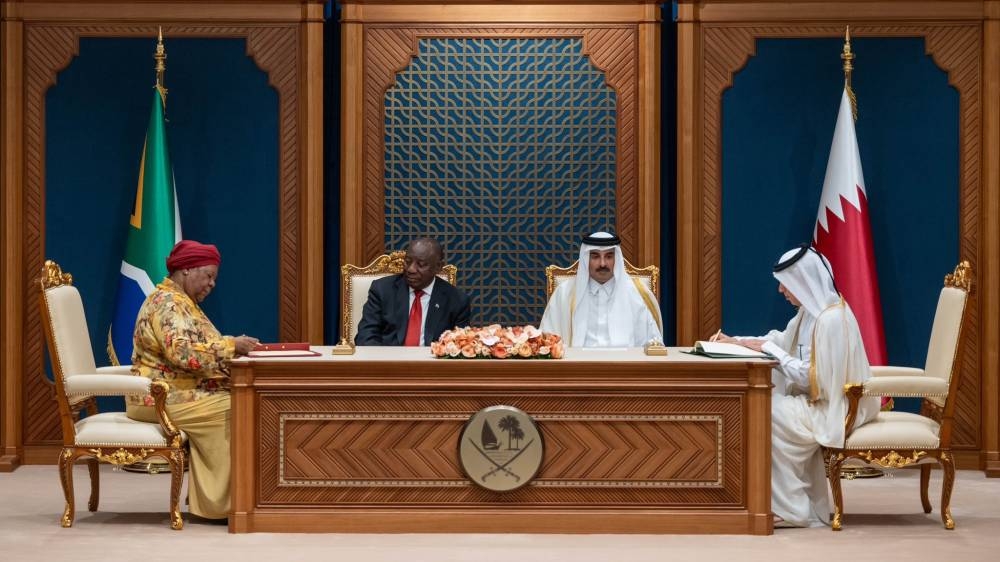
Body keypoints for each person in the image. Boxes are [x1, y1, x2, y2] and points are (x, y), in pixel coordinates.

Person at [715, 244, 879, 527]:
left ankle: (793, 510)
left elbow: (813, 378)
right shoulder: (811, 311)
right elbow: (781, 341)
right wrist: (737, 342)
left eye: (785, 284)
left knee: (765, 411)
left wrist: (770, 350)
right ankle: (774, 500)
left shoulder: (831, 320)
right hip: (817, 401)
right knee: (764, 405)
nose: (781, 291)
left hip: (834, 408)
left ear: (803, 281)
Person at [125, 240, 258, 521]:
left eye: (214, 279)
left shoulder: (185, 303)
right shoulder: (168, 304)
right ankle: (221, 506)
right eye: (208, 276)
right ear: (185, 270)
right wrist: (232, 346)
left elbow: (201, 348)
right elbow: (184, 354)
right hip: (158, 398)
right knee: (237, 408)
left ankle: (224, 500)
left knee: (246, 400)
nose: (211, 284)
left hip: (180, 393)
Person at [539, 231, 662, 347]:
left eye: (609, 256)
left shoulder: (637, 293)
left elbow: (653, 345)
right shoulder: (565, 293)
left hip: (626, 368)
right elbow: (548, 341)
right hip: (577, 368)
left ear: (616, 259)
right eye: (595, 256)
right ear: (586, 259)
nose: (602, 264)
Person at [356, 237, 471, 346]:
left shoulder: (457, 300)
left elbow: (460, 345)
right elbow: (366, 336)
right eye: (407, 261)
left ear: (438, 267)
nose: (410, 269)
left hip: (433, 364)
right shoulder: (382, 290)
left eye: (420, 265)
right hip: (388, 362)